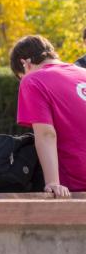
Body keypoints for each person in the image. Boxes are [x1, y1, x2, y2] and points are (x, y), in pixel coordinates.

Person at [10, 35, 86, 198]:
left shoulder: (32, 80)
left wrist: (53, 183)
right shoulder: (82, 72)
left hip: (76, 182)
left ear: (25, 64)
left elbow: (46, 134)